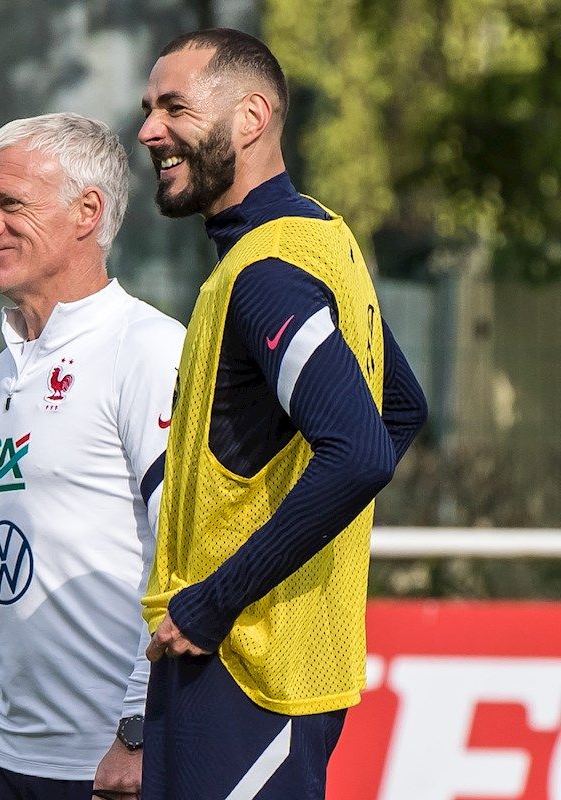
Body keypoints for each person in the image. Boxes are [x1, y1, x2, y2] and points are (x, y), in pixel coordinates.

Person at [135, 28, 429, 799]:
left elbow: (361, 451)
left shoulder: (268, 269)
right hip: (237, 660)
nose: (149, 131)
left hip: (246, 670)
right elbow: (402, 408)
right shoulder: (317, 236)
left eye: (174, 108)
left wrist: (216, 601)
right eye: (148, 109)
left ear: (251, 118)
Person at [0, 112, 185, 800]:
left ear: (86, 212)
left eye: (10, 204)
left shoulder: (148, 349)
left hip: (101, 764)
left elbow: (183, 556)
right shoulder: (3, 370)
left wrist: (137, 731)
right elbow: (0, 570)